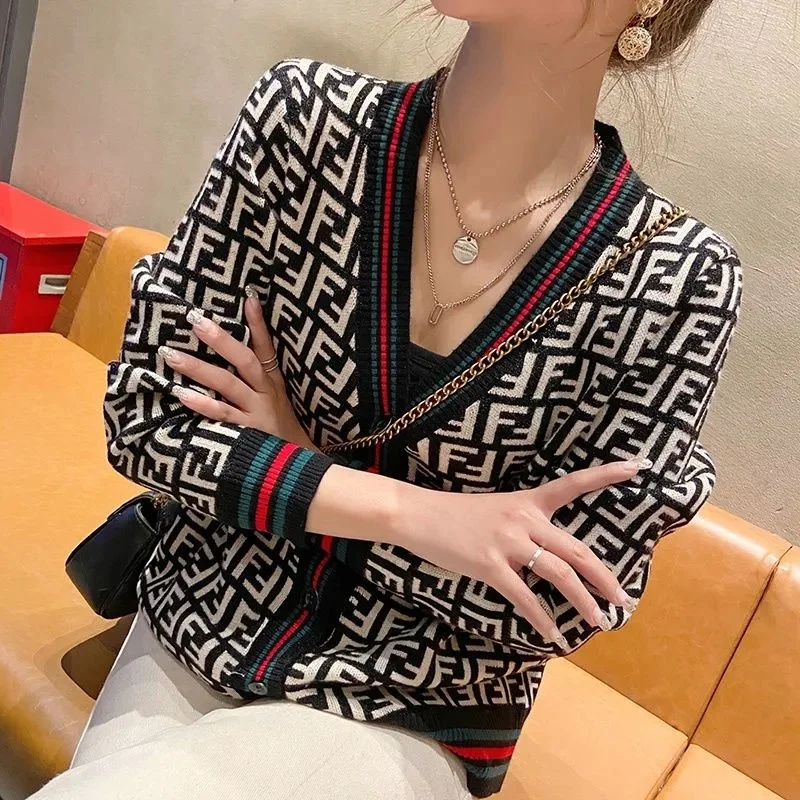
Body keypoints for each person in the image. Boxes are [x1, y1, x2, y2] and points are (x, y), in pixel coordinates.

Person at [31, 1, 743, 798]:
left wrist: (296, 466)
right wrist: (424, 517)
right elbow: (151, 419)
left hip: (411, 707)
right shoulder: (305, 126)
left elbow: (549, 604)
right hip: (199, 617)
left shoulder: (675, 281)